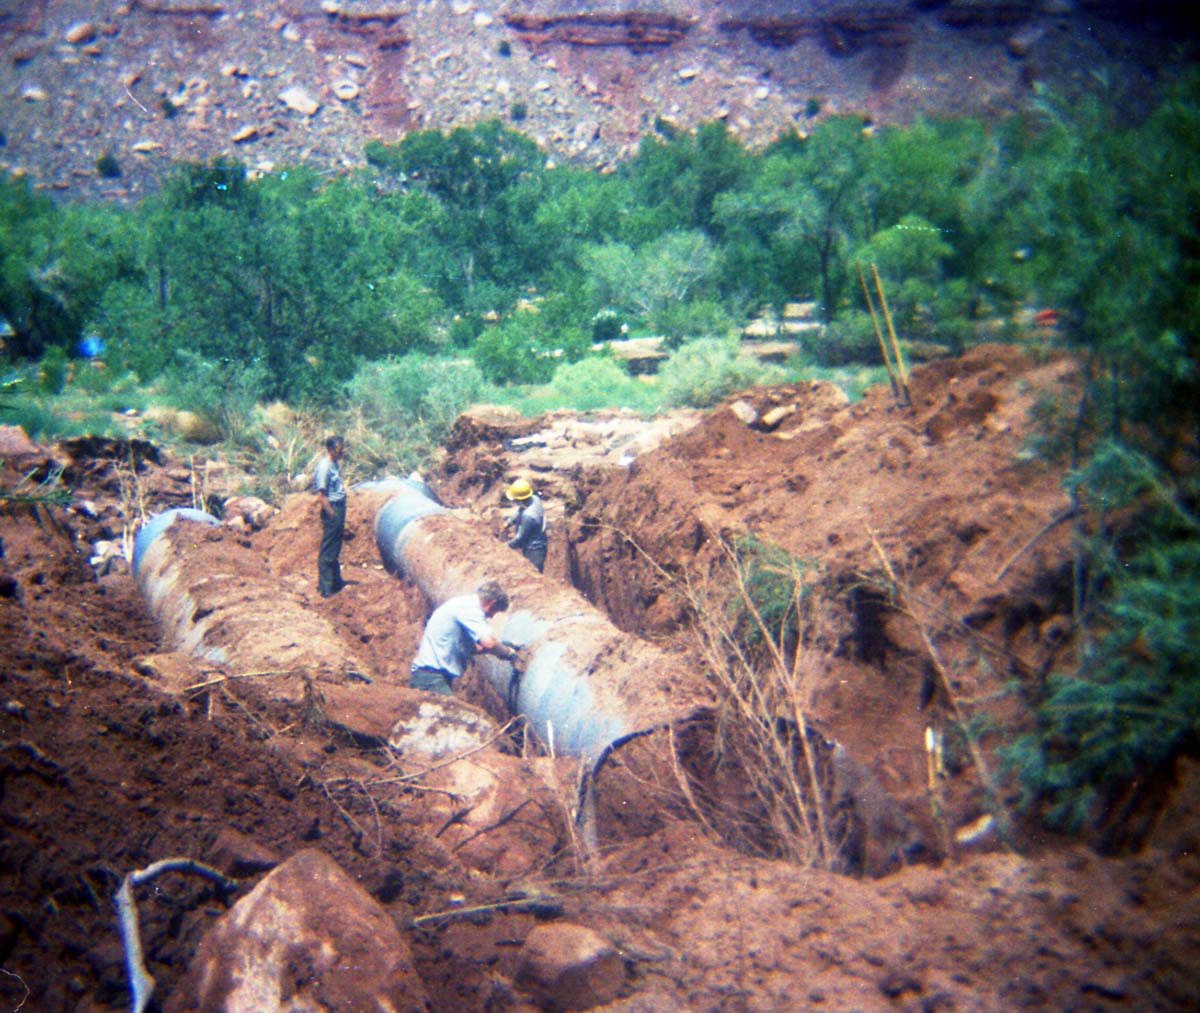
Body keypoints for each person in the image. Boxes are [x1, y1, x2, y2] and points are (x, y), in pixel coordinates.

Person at [410, 579, 521, 695]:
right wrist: (508, 654)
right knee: (451, 712)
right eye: (494, 611)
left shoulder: (462, 604)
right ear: (491, 604)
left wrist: (501, 646)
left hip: (430, 676)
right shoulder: (471, 610)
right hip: (429, 678)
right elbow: (489, 643)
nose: (491, 616)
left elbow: (474, 648)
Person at [313, 435, 347, 597]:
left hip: (339, 507)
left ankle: (336, 583)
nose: (343, 451)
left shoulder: (334, 464)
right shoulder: (325, 467)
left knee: (335, 547)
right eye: (340, 449)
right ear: (331, 449)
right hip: (332, 508)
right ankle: (326, 589)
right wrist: (332, 515)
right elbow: (321, 495)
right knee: (328, 549)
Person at [504, 478, 548, 573]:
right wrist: (509, 522)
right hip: (540, 543)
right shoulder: (535, 499)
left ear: (519, 500)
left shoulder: (528, 516)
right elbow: (520, 510)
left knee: (534, 573)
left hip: (534, 550)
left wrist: (506, 546)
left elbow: (520, 538)